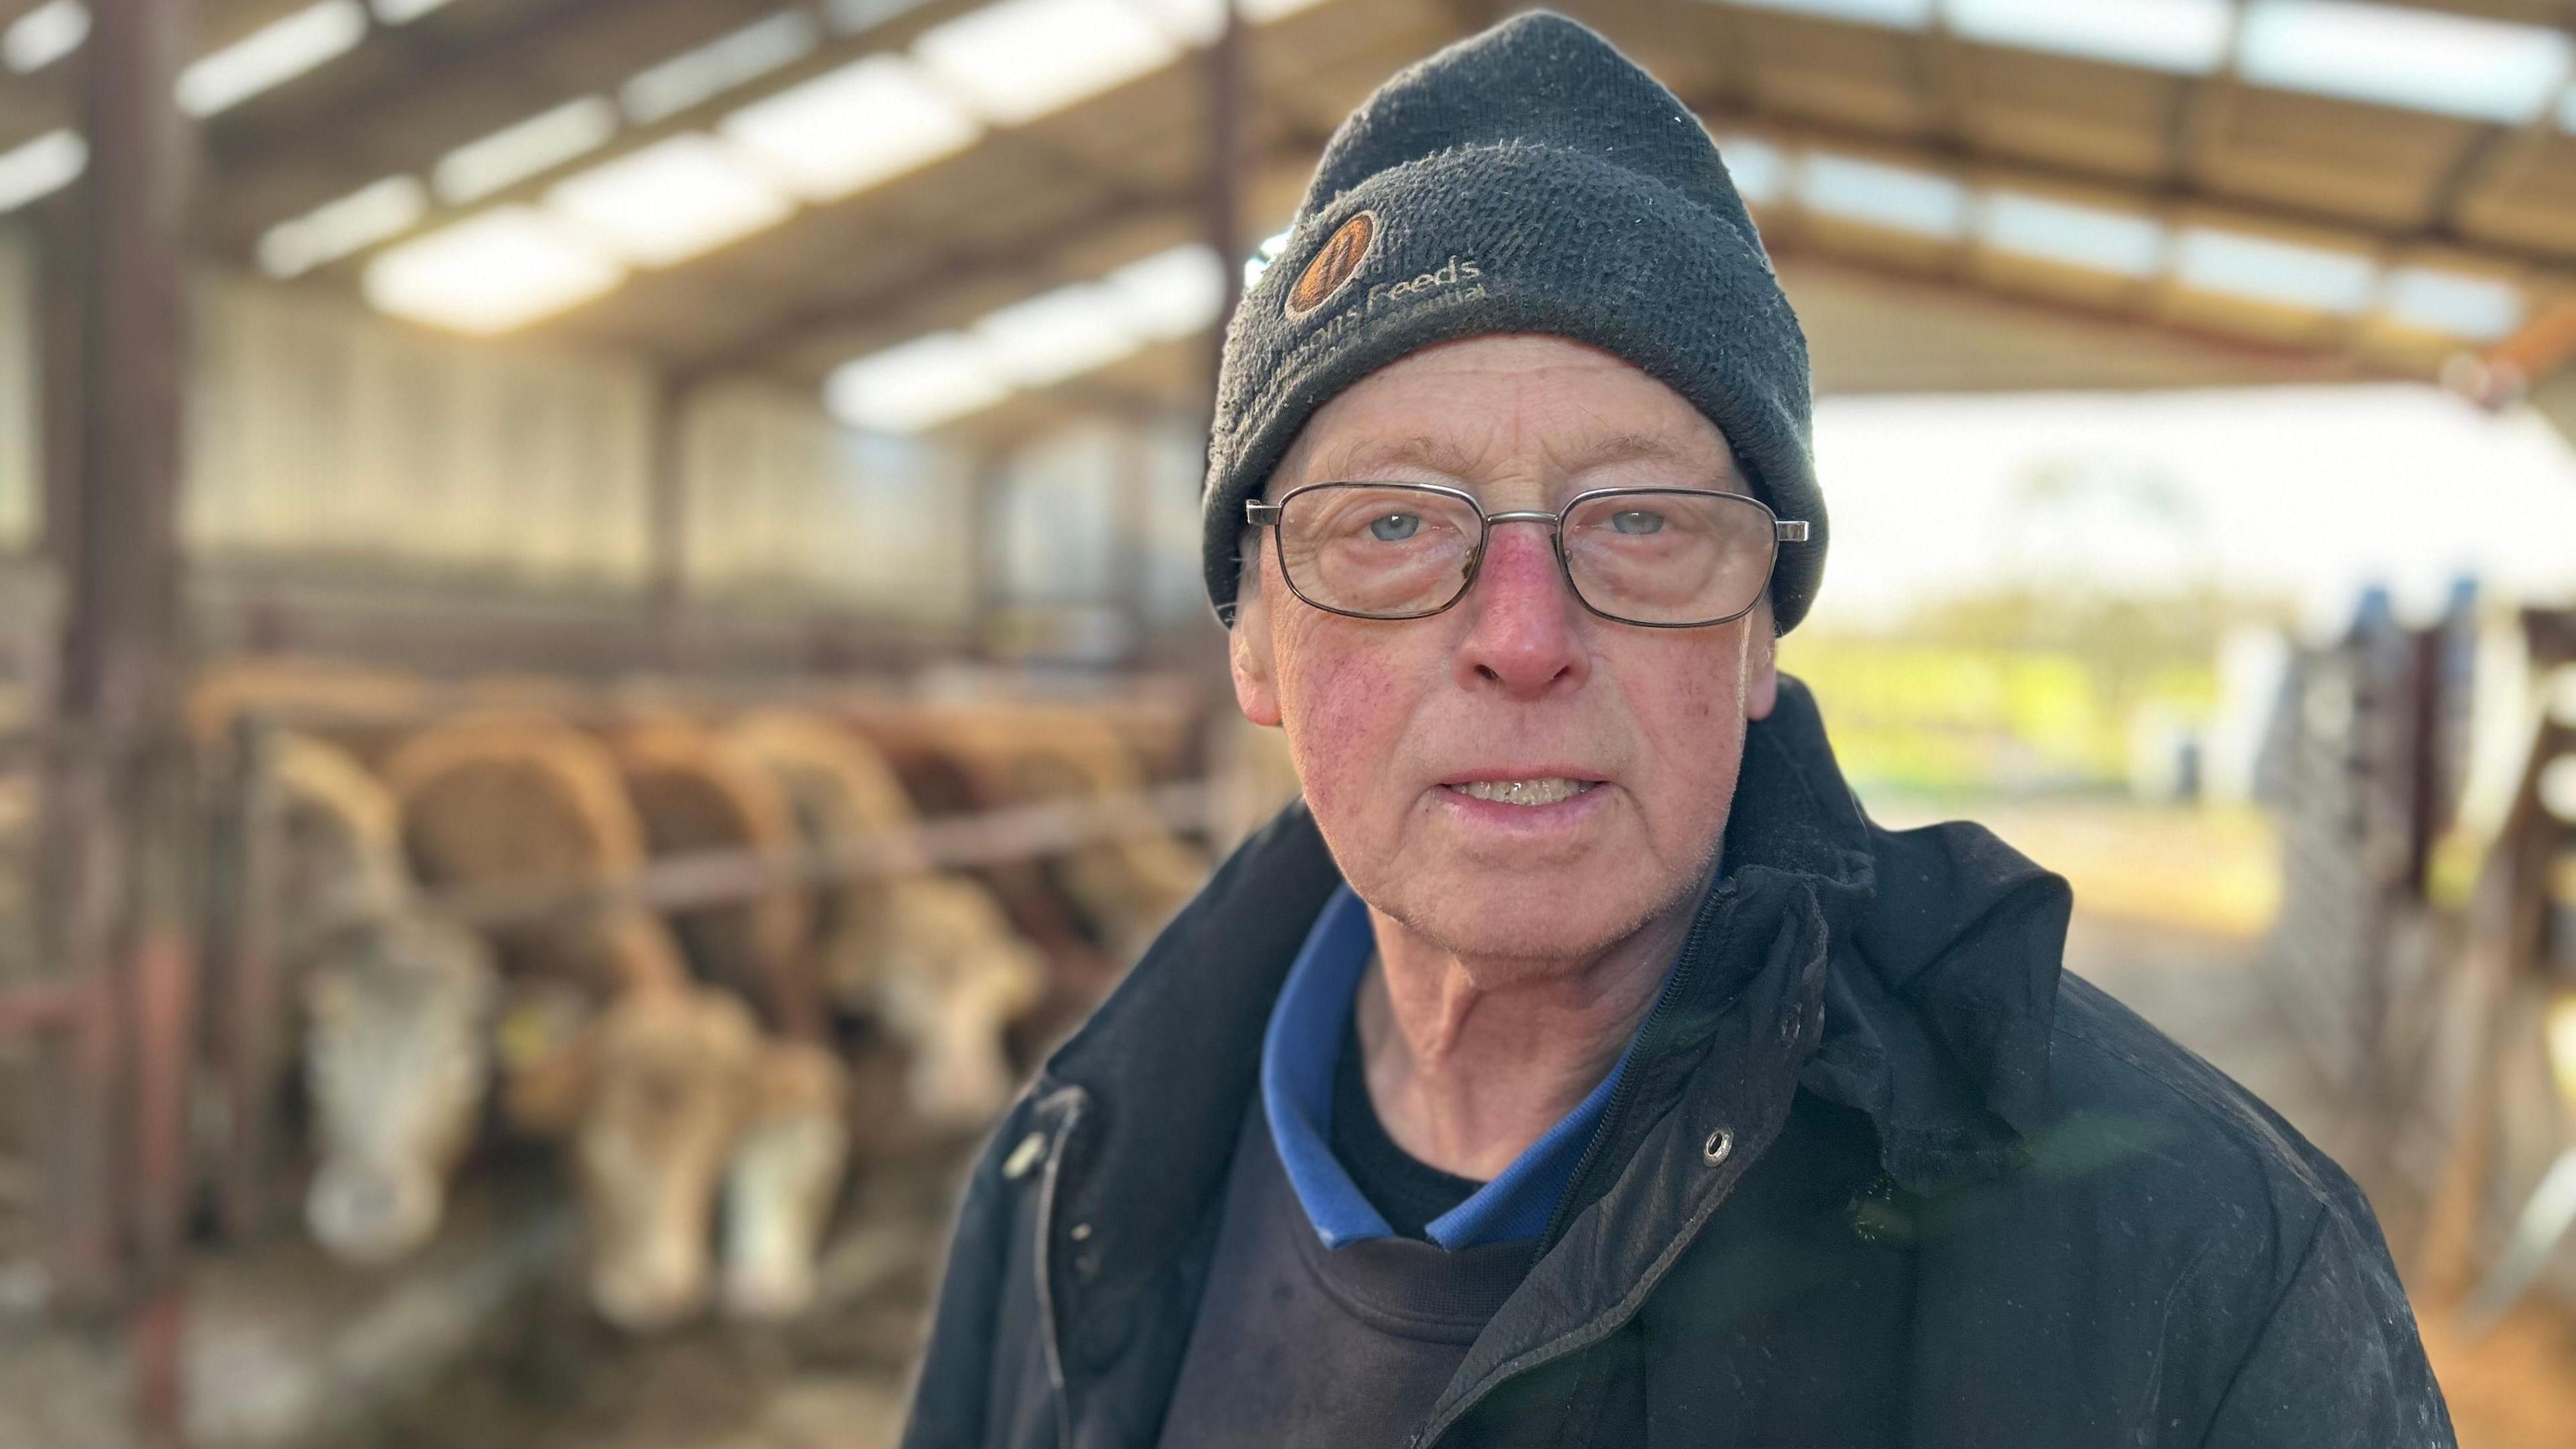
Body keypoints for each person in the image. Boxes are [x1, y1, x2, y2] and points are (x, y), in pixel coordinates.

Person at [901, 13, 2452, 1448]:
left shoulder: (2203, 1266)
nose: (1521, 635)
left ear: (1762, 628)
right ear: (1254, 639)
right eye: (1388, 524)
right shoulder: (1071, 1189)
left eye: (1639, 518)